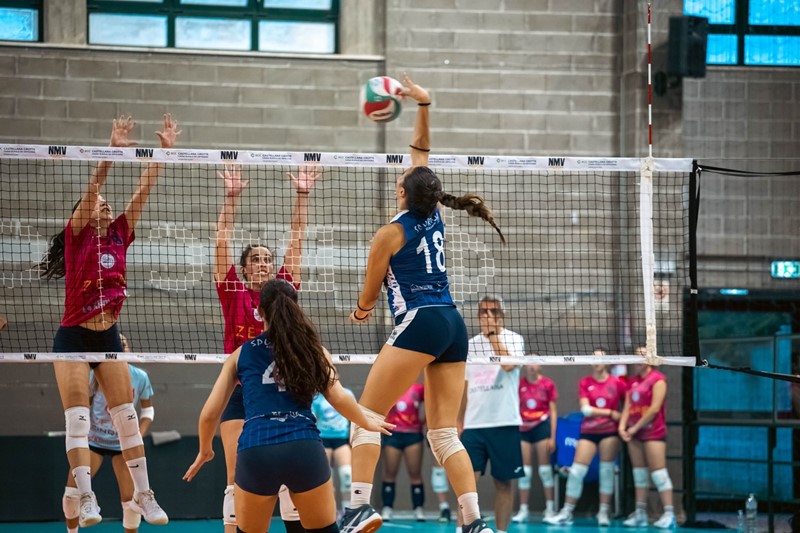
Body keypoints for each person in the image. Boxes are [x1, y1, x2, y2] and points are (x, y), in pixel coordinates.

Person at [341, 73, 505, 533]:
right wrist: (424, 103)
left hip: (420, 319)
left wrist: (359, 312)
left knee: (366, 417)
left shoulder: (390, 233)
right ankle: (473, 521)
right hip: (452, 322)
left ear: (402, 192)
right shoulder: (434, 213)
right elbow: (421, 153)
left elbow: (370, 292)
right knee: (444, 433)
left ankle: (359, 507)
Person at [38, 114, 179, 527]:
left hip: (109, 336)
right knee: (78, 419)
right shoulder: (77, 235)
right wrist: (110, 151)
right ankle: (86, 497)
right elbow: (94, 186)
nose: (104, 203)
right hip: (73, 337)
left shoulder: (120, 233)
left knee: (127, 418)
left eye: (106, 203)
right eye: (98, 203)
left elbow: (143, 190)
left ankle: (144, 494)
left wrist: (162, 155)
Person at [183, 279, 394, 533]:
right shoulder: (314, 349)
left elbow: (210, 414)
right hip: (303, 447)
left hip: (256, 450)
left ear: (260, 312)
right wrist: (365, 421)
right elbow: (338, 397)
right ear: (296, 307)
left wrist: (205, 450)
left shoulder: (241, 354)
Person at [214, 163, 320, 533]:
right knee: (235, 480)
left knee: (290, 485)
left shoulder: (284, 294)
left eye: (266, 259)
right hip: (240, 392)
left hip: (281, 390)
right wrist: (231, 199)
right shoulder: (233, 293)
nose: (262, 264)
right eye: (255, 259)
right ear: (244, 270)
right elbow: (221, 242)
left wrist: (302, 195)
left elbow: (297, 240)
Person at [63, 335, 154, 533]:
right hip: (94, 441)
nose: (121, 347)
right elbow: (84, 405)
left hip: (122, 445)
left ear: (128, 349)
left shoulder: (140, 376)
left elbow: (148, 411)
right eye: (118, 344)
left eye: (124, 344)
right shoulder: (93, 374)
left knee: (130, 500)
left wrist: (139, 433)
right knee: (72, 492)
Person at [458, 296, 524, 533]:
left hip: (504, 421)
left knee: (504, 484)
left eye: (493, 311)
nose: (488, 316)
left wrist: (493, 335)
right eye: (483, 312)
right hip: (474, 425)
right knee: (466, 486)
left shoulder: (515, 339)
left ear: (501, 315)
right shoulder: (469, 344)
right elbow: (465, 385)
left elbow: (508, 365)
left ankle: (502, 531)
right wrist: (458, 420)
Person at [544, 348, 626, 527]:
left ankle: (603, 512)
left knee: (606, 471)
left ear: (608, 362)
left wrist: (622, 422)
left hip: (610, 432)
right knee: (576, 471)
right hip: (589, 431)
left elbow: (627, 406)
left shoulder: (617, 383)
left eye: (601, 358)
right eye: (594, 358)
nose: (597, 362)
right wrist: (611, 413)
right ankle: (566, 512)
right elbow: (586, 409)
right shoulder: (585, 382)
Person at [619, 347, 676, 529]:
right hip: (634, 434)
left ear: (651, 359)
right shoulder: (632, 382)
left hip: (653, 432)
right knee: (640, 475)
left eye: (642, 355)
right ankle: (640, 514)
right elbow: (627, 407)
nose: (638, 359)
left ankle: (669, 514)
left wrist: (634, 428)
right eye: (636, 355)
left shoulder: (658, 380)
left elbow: (654, 409)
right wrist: (622, 427)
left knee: (659, 474)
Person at [511, 358, 558, 523]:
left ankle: (550, 509)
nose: (532, 365)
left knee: (545, 471)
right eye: (529, 362)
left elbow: (553, 412)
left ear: (540, 365)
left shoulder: (548, 384)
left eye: (535, 362)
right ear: (525, 365)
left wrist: (553, 437)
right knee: (525, 471)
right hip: (523, 429)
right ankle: (523, 510)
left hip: (541, 427)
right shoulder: (519, 384)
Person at [380, 381, 426, 522]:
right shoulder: (390, 386)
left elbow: (432, 403)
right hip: (393, 434)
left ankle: (418, 508)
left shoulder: (418, 388)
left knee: (415, 473)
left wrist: (424, 420)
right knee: (390, 472)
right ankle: (387, 507)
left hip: (413, 434)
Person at [312, 385, 356, 515]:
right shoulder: (316, 397)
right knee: (327, 478)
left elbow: (354, 415)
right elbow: (312, 418)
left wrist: (353, 437)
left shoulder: (346, 393)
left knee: (347, 475)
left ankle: (347, 510)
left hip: (341, 439)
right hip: (323, 439)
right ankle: (331, 511)